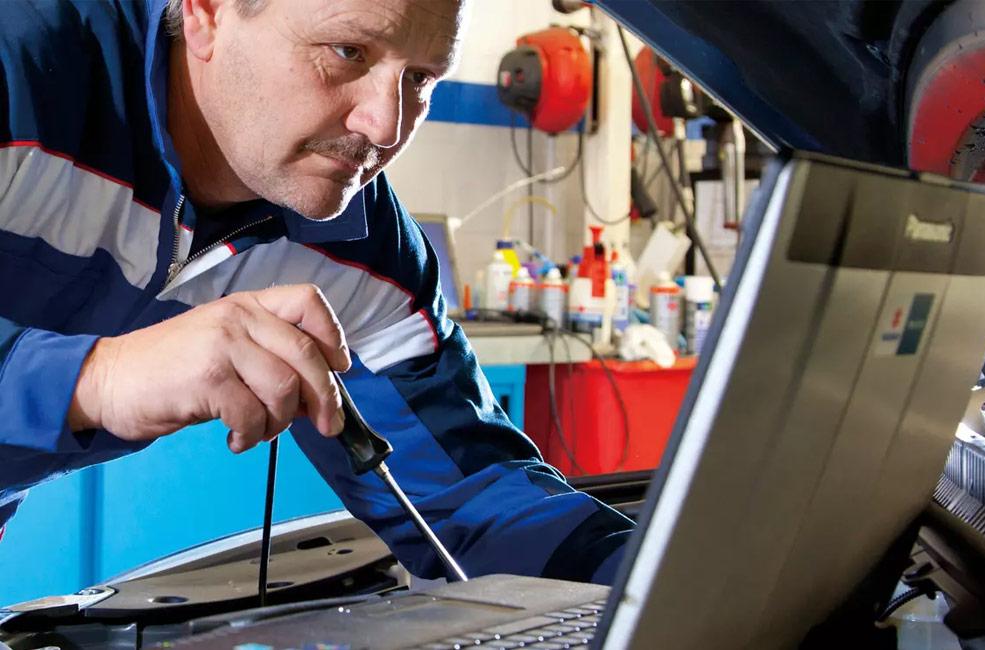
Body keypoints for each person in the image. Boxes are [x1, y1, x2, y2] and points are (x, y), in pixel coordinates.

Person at [0, 0, 633, 582]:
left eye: (419, 78)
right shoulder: (20, 71)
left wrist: (652, 586)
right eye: (348, 52)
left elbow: (470, 498)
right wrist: (98, 380)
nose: (385, 126)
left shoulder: (360, 250)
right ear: (207, 14)